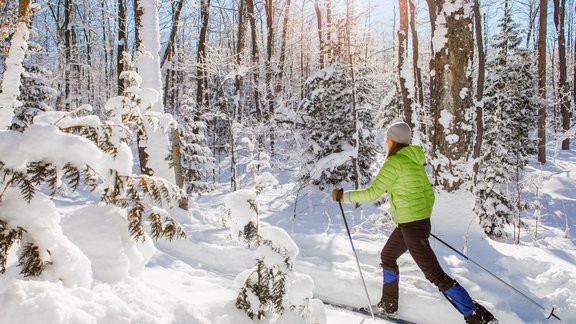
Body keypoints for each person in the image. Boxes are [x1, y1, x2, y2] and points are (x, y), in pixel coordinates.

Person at [332, 121, 496, 324]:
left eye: (387, 138)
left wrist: (343, 196)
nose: (386, 141)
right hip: (412, 224)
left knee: (435, 275)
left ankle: (478, 317)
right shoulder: (415, 162)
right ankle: (388, 306)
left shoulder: (394, 163)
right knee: (388, 255)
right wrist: (419, 219)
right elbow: (429, 196)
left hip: (412, 226)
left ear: (392, 141)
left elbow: (372, 193)